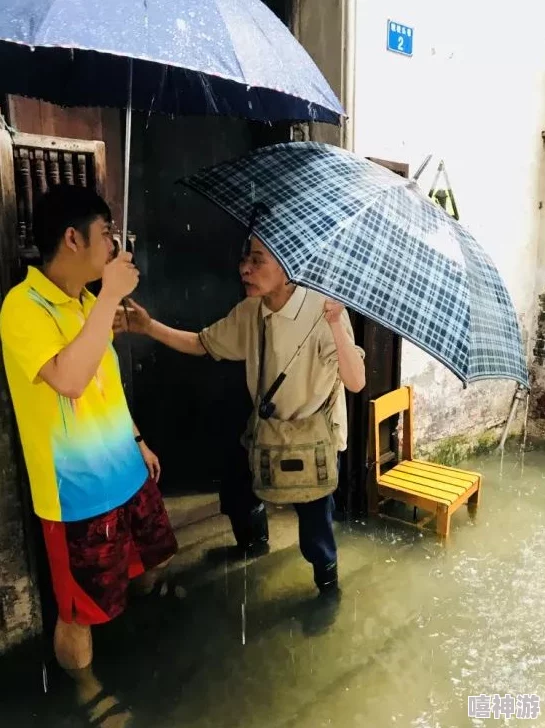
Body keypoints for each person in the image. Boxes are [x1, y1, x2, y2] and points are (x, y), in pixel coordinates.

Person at [0, 185, 178, 725]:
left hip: (125, 469)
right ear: (72, 238)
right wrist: (106, 301)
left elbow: (108, 386)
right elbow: (71, 382)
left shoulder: (84, 303)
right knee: (79, 611)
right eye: (106, 234)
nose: (115, 246)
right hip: (77, 495)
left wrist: (138, 439)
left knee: (154, 556)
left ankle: (152, 617)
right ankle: (84, 689)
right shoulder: (21, 308)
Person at [114, 235, 365, 594]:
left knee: (315, 527)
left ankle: (327, 584)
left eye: (258, 260)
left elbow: (355, 382)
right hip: (264, 432)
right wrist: (147, 326)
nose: (244, 267)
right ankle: (253, 544)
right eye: (244, 256)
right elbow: (203, 343)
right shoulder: (251, 311)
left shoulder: (323, 311)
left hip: (311, 439)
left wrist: (338, 323)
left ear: (289, 265)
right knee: (236, 491)